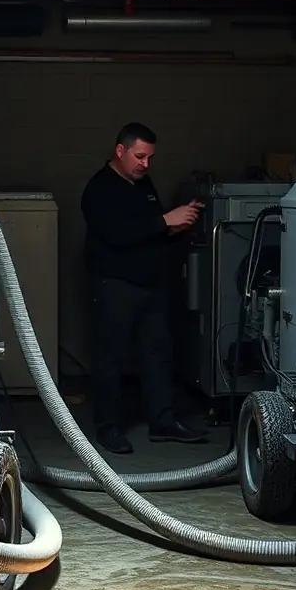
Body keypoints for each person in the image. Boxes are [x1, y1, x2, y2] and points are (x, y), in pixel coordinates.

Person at [81, 122, 208, 454]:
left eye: (150, 158)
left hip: (151, 286)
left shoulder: (143, 183)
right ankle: (109, 429)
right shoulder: (99, 189)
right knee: (111, 359)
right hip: (115, 286)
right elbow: (117, 234)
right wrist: (166, 220)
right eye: (139, 156)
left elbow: (148, 229)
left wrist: (179, 223)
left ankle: (163, 422)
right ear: (120, 151)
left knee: (158, 355)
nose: (145, 164)